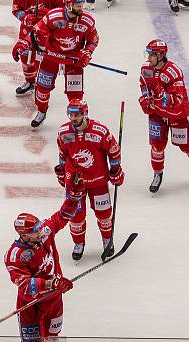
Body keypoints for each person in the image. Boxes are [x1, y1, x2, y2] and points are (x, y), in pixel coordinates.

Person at [12, 0, 99, 128]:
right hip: (51, 56)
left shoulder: (87, 21)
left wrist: (88, 52)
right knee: (42, 88)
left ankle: (78, 119)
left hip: (73, 60)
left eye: (81, 4)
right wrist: (25, 43)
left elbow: (93, 40)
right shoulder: (53, 16)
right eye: (77, 5)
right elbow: (36, 33)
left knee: (75, 94)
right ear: (68, 5)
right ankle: (41, 111)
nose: (81, 8)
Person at [4, 196, 80, 342]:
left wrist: (74, 199)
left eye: (40, 227)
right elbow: (24, 285)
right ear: (24, 234)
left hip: (54, 300)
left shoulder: (44, 232)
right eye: (36, 230)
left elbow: (61, 216)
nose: (41, 232)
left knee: (53, 337)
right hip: (31, 306)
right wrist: (52, 284)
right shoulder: (15, 256)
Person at [55, 99, 123, 260]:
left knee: (104, 213)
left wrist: (115, 170)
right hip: (75, 182)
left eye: (77, 115)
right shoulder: (64, 132)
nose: (73, 118)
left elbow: (113, 151)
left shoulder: (100, 132)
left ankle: (107, 240)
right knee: (75, 215)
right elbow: (63, 154)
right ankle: (79, 243)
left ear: (85, 114)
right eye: (71, 114)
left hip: (97, 179)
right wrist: (62, 171)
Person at [139, 39, 189, 192]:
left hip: (177, 114)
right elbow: (143, 85)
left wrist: (159, 93)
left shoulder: (174, 72)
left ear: (161, 55)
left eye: (151, 54)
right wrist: (144, 98)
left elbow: (177, 100)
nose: (148, 57)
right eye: (148, 54)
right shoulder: (146, 68)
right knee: (156, 146)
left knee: (188, 147)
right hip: (157, 114)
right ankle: (157, 174)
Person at [11, 0, 64, 95]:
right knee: (25, 57)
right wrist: (25, 17)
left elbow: (63, 15)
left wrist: (48, 16)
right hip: (27, 31)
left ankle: (41, 86)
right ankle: (29, 82)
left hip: (47, 33)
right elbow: (15, 9)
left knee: (42, 60)